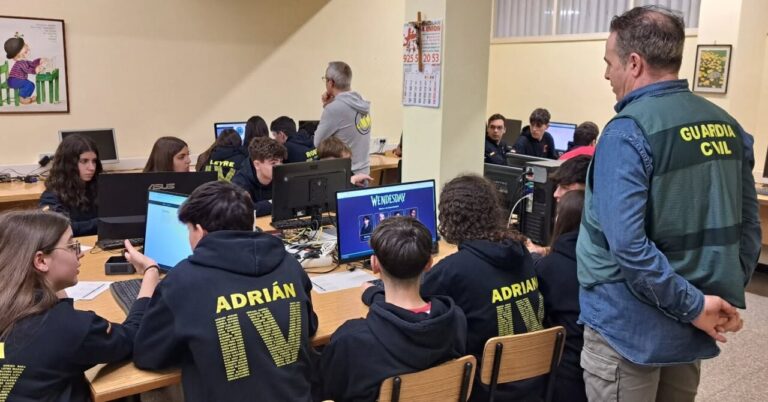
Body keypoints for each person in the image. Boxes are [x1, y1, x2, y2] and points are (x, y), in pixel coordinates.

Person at [577, 6, 759, 401]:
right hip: (687, 327)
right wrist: (717, 298)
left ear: (635, 63)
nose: (607, 74)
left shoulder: (626, 133)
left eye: (609, 63)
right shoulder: (728, 127)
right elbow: (748, 230)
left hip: (629, 332)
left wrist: (695, 306)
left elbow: (627, 245)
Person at [129, 181, 318, 402]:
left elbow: (147, 354)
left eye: (189, 229)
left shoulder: (181, 282)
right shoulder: (289, 265)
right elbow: (310, 325)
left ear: (200, 231)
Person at [0, 210, 159, 402]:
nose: (81, 253)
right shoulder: (67, 328)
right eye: (71, 246)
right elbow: (134, 337)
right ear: (41, 261)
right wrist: (150, 272)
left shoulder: (12, 307)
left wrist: (53, 287)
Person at [421, 174, 544, 401]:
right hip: (534, 382)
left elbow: (412, 305)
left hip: (483, 388)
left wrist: (375, 292)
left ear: (450, 217)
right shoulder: (521, 252)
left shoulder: (453, 270)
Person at [319, 217, 467, 402]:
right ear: (429, 263)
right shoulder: (455, 320)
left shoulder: (350, 340)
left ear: (374, 264)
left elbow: (327, 392)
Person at [534, 190, 586, 402]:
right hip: (593, 361)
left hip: (562, 368)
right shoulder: (600, 265)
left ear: (560, 220)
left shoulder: (548, 268)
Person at [526, 155, 591, 257]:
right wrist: (543, 251)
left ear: (588, 188)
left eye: (565, 188)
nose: (555, 194)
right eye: (557, 187)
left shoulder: (595, 232)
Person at [314, 61, 372, 175]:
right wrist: (329, 104)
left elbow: (317, 142)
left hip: (347, 173)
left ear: (331, 83)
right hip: (364, 170)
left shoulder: (334, 109)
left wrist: (327, 106)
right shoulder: (361, 102)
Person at [40, 134, 101, 236]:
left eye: (94, 161)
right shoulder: (51, 196)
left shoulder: (99, 187)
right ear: (68, 164)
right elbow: (59, 228)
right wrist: (101, 223)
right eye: (84, 161)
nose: (91, 168)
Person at [232, 137, 287, 216]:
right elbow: (244, 210)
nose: (279, 166)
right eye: (273, 163)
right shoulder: (240, 181)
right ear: (257, 164)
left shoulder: (283, 176)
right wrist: (275, 202)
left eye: (281, 161)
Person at [4, 34, 48, 104]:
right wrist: (36, 70)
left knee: (31, 85)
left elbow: (32, 64)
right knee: (29, 84)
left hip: (18, 79)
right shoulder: (21, 62)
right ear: (18, 53)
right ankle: (21, 98)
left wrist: (40, 60)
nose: (28, 47)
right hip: (14, 80)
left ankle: (25, 97)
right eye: (25, 46)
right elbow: (28, 69)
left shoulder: (24, 61)